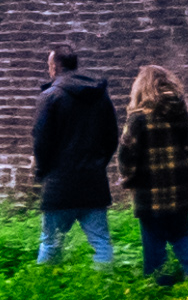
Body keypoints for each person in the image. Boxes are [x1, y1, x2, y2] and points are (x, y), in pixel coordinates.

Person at [26, 49, 120, 264]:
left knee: (50, 242)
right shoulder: (99, 95)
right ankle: (106, 289)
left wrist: (42, 171)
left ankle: (43, 291)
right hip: (93, 182)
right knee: (101, 242)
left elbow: (41, 140)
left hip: (59, 184)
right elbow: (112, 137)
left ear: (55, 67)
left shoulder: (50, 97)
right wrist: (98, 164)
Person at [119, 66, 188, 282]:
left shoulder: (138, 118)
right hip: (180, 186)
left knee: (153, 237)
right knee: (181, 233)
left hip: (149, 190)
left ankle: (159, 283)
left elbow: (127, 152)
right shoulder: (180, 112)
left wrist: (127, 178)